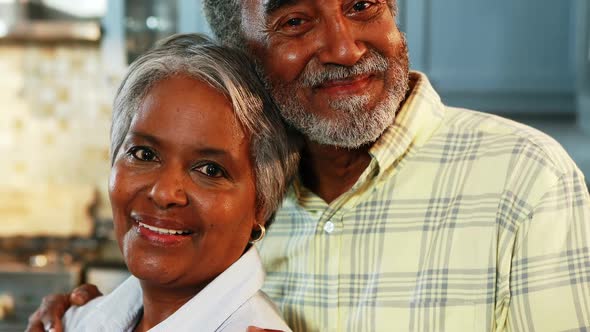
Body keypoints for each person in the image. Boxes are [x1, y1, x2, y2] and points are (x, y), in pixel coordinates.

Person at [29, 1, 590, 331]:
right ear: (240, 52)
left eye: (362, 4)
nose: (345, 48)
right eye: (295, 20)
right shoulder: (224, 200)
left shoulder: (526, 180)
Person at [55, 33, 299, 332]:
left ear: (261, 203)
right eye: (144, 154)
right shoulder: (74, 321)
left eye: (210, 170)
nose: (164, 192)